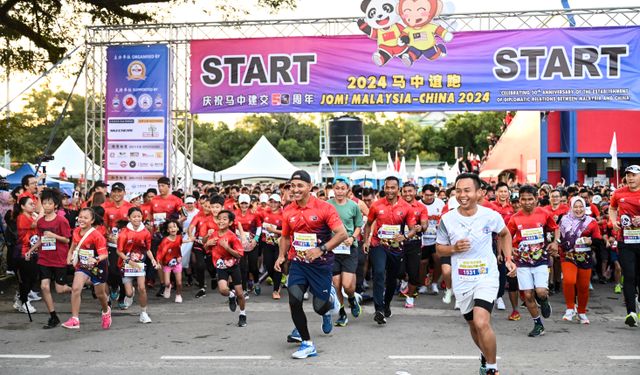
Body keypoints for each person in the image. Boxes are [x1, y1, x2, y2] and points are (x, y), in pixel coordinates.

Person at [436, 173, 516, 375]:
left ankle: (491, 369)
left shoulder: (490, 216)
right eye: (458, 191)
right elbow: (439, 249)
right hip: (462, 279)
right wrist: (453, 249)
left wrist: (508, 258)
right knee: (473, 324)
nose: (462, 195)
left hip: (486, 276)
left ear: (479, 193)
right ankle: (485, 355)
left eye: (467, 190)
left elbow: (505, 234)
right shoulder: (447, 219)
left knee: (482, 321)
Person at [275, 170, 347, 359]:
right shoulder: (288, 210)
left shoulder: (324, 208)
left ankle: (330, 302)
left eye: (300, 185)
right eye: (293, 185)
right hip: (298, 262)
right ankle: (307, 343)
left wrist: (320, 249)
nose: (295, 189)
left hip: (321, 265)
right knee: (294, 299)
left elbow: (342, 234)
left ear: (309, 187)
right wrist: (281, 255)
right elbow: (284, 236)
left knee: (320, 307)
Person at [363, 176, 417, 324]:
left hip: (395, 247)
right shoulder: (376, 205)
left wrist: (405, 236)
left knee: (392, 278)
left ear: (398, 189)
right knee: (379, 272)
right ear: (384, 188)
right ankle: (378, 309)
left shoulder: (406, 207)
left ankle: (386, 305)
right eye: (387, 187)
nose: (390, 190)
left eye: (393, 187)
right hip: (378, 244)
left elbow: (413, 229)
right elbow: (368, 224)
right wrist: (366, 240)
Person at [507, 185, 559, 337]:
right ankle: (538, 325)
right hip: (522, 262)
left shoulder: (544, 213)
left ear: (536, 199)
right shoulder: (515, 218)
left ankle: (543, 300)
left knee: (541, 292)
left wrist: (555, 242)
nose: (527, 202)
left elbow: (555, 228)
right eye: (524, 199)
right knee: (528, 295)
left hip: (540, 260)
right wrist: (510, 248)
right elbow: (506, 236)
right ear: (519, 200)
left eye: (530, 199)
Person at [61, 208, 111, 330]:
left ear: (92, 220)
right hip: (82, 265)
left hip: (97, 267)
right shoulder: (76, 231)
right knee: (76, 288)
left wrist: (95, 259)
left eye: (85, 217)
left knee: (100, 294)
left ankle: (106, 311)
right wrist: (69, 256)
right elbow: (73, 245)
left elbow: (105, 254)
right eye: (80, 217)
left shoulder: (97, 236)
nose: (82, 220)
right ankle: (75, 319)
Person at [30, 189, 72, 328]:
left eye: (50, 203)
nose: (47, 206)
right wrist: (31, 250)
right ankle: (53, 316)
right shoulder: (40, 222)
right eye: (44, 203)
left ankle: (74, 288)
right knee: (44, 286)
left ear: (55, 205)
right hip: (44, 259)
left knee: (60, 290)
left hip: (59, 258)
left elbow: (66, 240)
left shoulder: (61, 220)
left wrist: (54, 236)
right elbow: (41, 239)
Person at [559, 196, 602, 324]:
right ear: (571, 208)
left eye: (581, 206)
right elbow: (558, 235)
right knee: (569, 280)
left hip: (585, 257)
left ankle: (581, 312)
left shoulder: (591, 221)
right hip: (568, 256)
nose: (578, 209)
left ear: (585, 207)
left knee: (583, 287)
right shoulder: (564, 220)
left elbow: (599, 241)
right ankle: (570, 308)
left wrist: (591, 241)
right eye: (575, 207)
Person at [328, 179, 364, 325]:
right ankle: (342, 312)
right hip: (333, 249)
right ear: (333, 189)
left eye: (343, 188)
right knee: (336, 284)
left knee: (347, 285)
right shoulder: (327, 205)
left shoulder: (353, 206)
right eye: (337, 188)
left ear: (347, 190)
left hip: (349, 248)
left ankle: (352, 299)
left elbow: (358, 225)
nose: (340, 191)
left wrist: (353, 237)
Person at [609, 165, 640, 327]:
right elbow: (612, 208)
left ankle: (638, 304)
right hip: (626, 240)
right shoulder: (618, 193)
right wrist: (614, 222)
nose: (630, 178)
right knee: (629, 276)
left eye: (634, 175)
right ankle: (631, 312)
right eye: (628, 175)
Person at [116, 207, 157, 323]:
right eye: (134, 216)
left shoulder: (145, 232)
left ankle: (143, 313)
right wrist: (129, 261)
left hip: (140, 265)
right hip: (126, 265)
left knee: (142, 288)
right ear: (129, 218)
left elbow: (148, 249)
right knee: (128, 293)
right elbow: (119, 251)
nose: (137, 219)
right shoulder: (124, 233)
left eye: (139, 216)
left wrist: (153, 259)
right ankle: (130, 293)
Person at [208, 210, 247, 327]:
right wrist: (207, 243)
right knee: (223, 290)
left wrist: (227, 247)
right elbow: (207, 247)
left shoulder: (232, 237)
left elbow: (239, 254)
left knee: (240, 294)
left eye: (224, 219)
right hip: (221, 266)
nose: (221, 221)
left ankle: (242, 314)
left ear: (230, 223)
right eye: (219, 218)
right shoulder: (214, 234)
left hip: (233, 266)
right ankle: (231, 295)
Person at [101, 182, 134, 307]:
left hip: (127, 245)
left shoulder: (130, 207)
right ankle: (114, 286)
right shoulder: (105, 207)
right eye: (114, 191)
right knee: (112, 270)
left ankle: (123, 295)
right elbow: (103, 225)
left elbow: (136, 223)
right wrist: (108, 235)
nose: (116, 194)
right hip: (112, 244)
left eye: (119, 191)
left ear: (124, 192)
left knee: (124, 270)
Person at [400, 182, 427, 309]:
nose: (407, 194)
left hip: (414, 243)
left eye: (410, 191)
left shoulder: (421, 207)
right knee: (398, 270)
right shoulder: (396, 205)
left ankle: (410, 297)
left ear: (415, 192)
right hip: (396, 243)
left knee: (413, 271)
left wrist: (420, 227)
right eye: (405, 191)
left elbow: (425, 224)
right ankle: (403, 280)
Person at [14, 196, 40, 314]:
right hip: (24, 252)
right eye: (30, 204)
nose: (33, 205)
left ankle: (20, 299)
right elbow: (37, 224)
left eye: (34, 203)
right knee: (27, 279)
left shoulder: (32, 215)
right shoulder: (22, 217)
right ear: (22, 206)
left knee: (33, 277)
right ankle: (23, 301)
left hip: (33, 251)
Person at [419, 184, 446, 299]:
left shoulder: (440, 203)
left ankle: (434, 283)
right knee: (423, 263)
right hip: (423, 239)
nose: (429, 197)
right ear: (422, 194)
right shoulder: (418, 204)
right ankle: (423, 285)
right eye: (427, 195)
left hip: (437, 238)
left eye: (431, 195)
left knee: (438, 260)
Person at [235, 193, 262, 294]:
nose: (244, 206)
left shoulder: (254, 213)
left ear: (249, 203)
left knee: (253, 266)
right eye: (242, 203)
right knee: (242, 266)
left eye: (246, 203)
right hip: (239, 244)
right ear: (239, 203)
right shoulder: (234, 214)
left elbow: (259, 227)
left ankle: (256, 282)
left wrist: (256, 239)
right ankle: (244, 288)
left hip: (252, 243)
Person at [260, 194, 284, 299]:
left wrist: (274, 231)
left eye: (276, 202)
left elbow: (287, 232)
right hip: (267, 243)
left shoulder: (283, 215)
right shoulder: (264, 213)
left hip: (279, 244)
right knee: (269, 266)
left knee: (277, 265)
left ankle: (276, 290)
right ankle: (277, 283)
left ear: (279, 203)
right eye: (271, 202)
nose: (273, 204)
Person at [156, 220, 184, 303]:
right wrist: (158, 262)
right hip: (167, 264)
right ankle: (168, 287)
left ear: (178, 228)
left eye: (174, 226)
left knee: (179, 283)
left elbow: (179, 246)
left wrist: (179, 256)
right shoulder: (165, 241)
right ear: (167, 230)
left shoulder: (179, 237)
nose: (172, 229)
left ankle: (178, 295)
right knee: (167, 283)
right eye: (170, 227)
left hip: (177, 263)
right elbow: (160, 253)